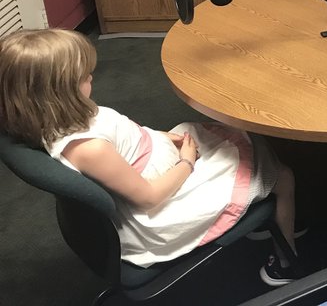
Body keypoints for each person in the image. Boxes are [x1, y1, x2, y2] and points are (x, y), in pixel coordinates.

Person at [0, 29, 299, 286]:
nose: (91, 76)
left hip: (155, 161)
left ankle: (268, 218)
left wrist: (162, 138)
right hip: (161, 202)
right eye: (82, 77)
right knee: (281, 176)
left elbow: (122, 131)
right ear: (58, 94)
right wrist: (187, 161)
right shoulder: (88, 149)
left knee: (238, 139)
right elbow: (149, 197)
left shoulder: (54, 118)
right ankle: (286, 264)